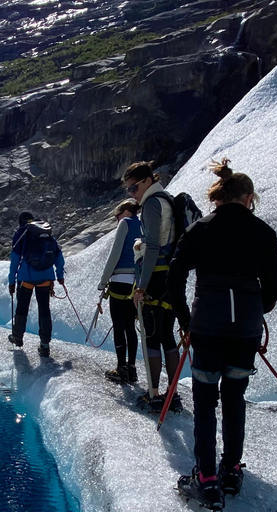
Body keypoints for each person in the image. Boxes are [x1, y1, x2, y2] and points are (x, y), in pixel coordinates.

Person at [168, 158, 277, 509]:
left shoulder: (201, 228)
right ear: (248, 197)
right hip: (244, 329)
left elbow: (176, 273)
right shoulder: (263, 232)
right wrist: (254, 311)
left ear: (220, 196)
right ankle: (231, 468)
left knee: (205, 399)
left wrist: (185, 318)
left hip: (208, 325)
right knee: (235, 396)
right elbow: (274, 286)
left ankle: (205, 477)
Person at [122, 162, 182, 413]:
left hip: (155, 276)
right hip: (171, 275)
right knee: (168, 335)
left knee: (151, 337)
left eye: (133, 187)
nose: (132, 193)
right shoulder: (167, 199)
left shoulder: (152, 203)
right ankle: (172, 394)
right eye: (128, 190)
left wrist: (141, 287)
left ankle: (154, 393)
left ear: (147, 181)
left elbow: (154, 246)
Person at [8, 211, 65, 358]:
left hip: (26, 277)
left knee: (22, 307)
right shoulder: (45, 232)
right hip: (45, 277)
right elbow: (58, 256)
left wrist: (11, 281)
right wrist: (60, 277)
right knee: (44, 309)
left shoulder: (22, 233)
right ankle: (45, 345)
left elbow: (15, 259)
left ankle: (18, 337)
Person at [97, 199, 142, 384]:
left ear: (125, 212)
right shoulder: (144, 223)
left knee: (119, 326)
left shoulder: (125, 223)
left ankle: (121, 368)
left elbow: (115, 254)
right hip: (136, 282)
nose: (117, 218)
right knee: (130, 326)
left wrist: (103, 281)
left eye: (118, 215)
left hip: (119, 281)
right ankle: (132, 369)